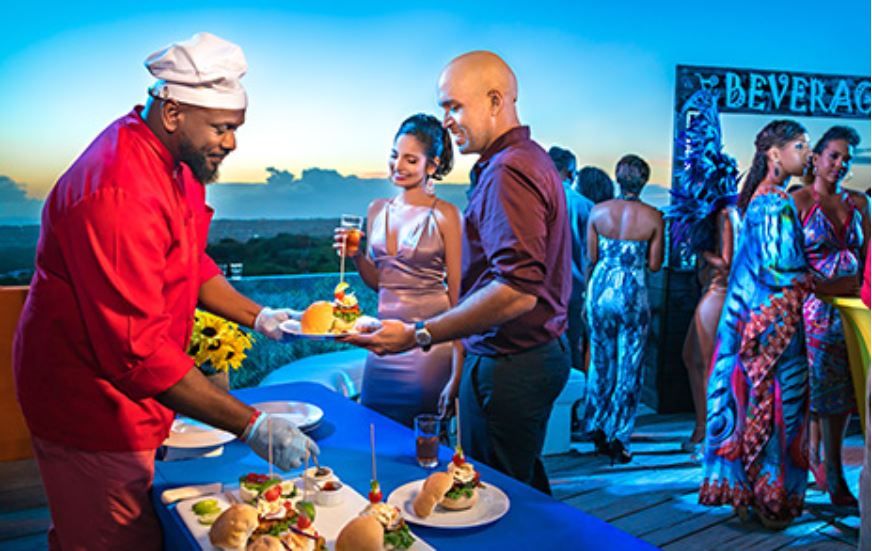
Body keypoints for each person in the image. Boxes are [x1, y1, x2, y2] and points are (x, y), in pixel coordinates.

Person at [12, 33, 318, 550]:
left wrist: (260, 316)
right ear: (173, 112)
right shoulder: (119, 189)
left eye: (236, 128)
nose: (232, 143)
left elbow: (188, 261)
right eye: (222, 128)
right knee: (112, 538)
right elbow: (137, 352)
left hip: (134, 397)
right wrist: (252, 425)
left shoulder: (178, 165)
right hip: (89, 404)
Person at [344, 51, 571, 494]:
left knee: (493, 497)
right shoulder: (527, 159)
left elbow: (517, 290)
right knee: (521, 487)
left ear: (494, 101)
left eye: (454, 106)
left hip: (511, 363)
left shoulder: (509, 171)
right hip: (524, 356)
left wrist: (419, 334)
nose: (446, 120)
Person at [699, 119, 811, 530]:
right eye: (799, 146)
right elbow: (775, 268)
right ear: (774, 154)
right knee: (779, 404)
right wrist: (813, 278)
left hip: (752, 319)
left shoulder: (755, 200)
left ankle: (749, 494)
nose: (806, 154)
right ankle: (771, 497)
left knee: (749, 401)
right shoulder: (774, 201)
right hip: (773, 322)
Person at [335, 114, 463, 426]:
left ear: (431, 165)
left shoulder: (447, 216)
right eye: (394, 155)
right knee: (376, 434)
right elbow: (381, 283)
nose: (398, 166)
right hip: (382, 347)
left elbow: (460, 302)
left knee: (420, 440)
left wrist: (457, 375)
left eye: (410, 159)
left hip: (428, 348)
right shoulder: (377, 209)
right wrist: (354, 256)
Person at [791, 125, 868, 507]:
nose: (840, 164)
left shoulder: (859, 204)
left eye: (846, 158)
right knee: (808, 394)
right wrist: (825, 288)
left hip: (853, 312)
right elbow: (787, 266)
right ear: (816, 158)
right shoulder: (799, 201)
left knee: (841, 399)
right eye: (833, 155)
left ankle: (835, 474)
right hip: (811, 312)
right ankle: (798, 474)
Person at [664, 89, 740, 461]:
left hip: (718, 293)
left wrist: (700, 252)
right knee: (691, 357)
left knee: (708, 366)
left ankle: (711, 436)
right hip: (709, 294)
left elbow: (726, 261)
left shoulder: (726, 215)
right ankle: (702, 428)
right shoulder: (721, 212)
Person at [581, 154, 664, 465]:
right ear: (643, 181)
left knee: (600, 360)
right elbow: (654, 265)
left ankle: (596, 425)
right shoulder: (654, 216)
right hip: (632, 291)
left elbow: (591, 257)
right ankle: (620, 436)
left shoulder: (598, 211)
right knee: (630, 364)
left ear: (618, 178)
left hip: (601, 288)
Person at [548, 146, 594, 372]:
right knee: (573, 351)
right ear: (570, 172)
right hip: (574, 292)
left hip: (540, 292)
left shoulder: (535, 201)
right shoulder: (587, 207)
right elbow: (591, 257)